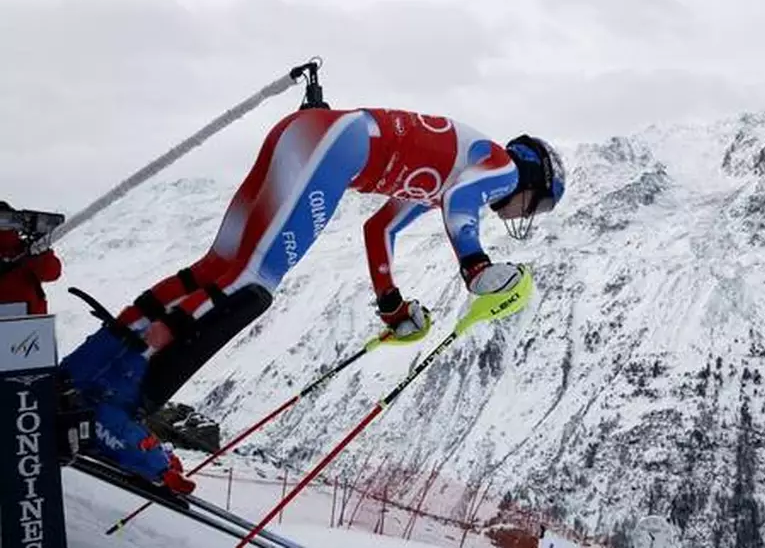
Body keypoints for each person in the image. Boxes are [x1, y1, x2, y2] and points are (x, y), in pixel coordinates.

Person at [58, 107, 566, 493]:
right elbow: (461, 204)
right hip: (338, 150)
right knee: (250, 286)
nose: (524, 212)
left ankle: (92, 367)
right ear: (533, 179)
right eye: (537, 206)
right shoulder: (502, 168)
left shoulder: (453, 171)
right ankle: (112, 408)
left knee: (219, 269)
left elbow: (379, 229)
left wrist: (391, 303)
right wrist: (476, 266)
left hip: (314, 134)